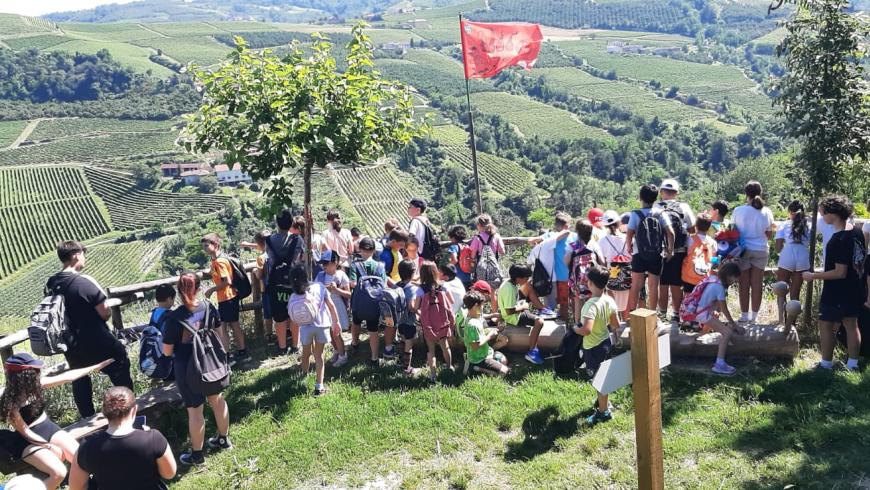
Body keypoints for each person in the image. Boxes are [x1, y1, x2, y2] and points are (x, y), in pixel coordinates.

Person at [45, 241, 134, 418]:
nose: (84, 258)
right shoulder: (82, 283)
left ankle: (87, 418)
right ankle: (126, 412)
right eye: (83, 254)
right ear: (76, 255)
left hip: (71, 344)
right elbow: (105, 313)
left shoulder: (51, 283)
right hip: (97, 341)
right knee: (120, 369)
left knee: (79, 378)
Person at [0, 354, 114, 490]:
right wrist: (49, 446)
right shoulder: (9, 400)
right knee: (58, 473)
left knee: (82, 459)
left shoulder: (37, 384)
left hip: (48, 428)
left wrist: (96, 367)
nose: (38, 373)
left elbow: (67, 377)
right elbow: (24, 431)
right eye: (34, 371)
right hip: (26, 439)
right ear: (24, 376)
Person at [162, 272, 231, 466]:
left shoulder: (175, 317)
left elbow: (167, 351)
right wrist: (224, 357)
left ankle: (197, 455)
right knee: (217, 400)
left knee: (194, 410)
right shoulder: (208, 307)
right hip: (211, 362)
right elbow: (219, 332)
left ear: (178, 291)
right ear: (199, 288)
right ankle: (224, 439)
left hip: (187, 367)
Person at [69, 387, 176, 490]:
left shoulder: (87, 446)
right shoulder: (153, 439)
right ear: (134, 410)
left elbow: (76, 487)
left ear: (104, 413)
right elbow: (169, 473)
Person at [804, 195, 866, 372]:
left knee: (825, 324)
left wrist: (813, 276)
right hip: (856, 287)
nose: (822, 215)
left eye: (823, 212)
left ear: (833, 214)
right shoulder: (857, 232)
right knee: (851, 324)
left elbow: (840, 272)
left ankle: (825, 364)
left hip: (837, 291)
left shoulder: (838, 240)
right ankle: (853, 365)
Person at [574, 266, 619, 426]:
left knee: (598, 379)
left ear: (590, 283)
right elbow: (615, 324)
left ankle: (603, 412)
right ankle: (604, 401)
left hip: (593, 347)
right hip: (606, 343)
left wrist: (575, 329)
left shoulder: (590, 305)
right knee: (603, 375)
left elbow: (586, 330)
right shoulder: (609, 300)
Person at [288, 265, 342, 396]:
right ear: (306, 276)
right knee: (319, 355)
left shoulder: (294, 295)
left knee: (305, 353)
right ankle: (319, 386)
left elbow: (292, 315)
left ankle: (304, 374)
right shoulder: (320, 287)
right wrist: (336, 322)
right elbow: (331, 306)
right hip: (322, 325)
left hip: (305, 327)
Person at [201, 233, 249, 364]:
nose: (204, 249)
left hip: (227, 297)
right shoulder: (216, 260)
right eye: (203, 246)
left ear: (216, 245)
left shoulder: (220, 261)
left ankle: (228, 356)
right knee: (232, 325)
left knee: (224, 327)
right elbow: (217, 273)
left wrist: (211, 290)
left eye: (206, 246)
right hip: (229, 297)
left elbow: (227, 281)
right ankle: (241, 352)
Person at [731, 181, 775, 323]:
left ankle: (744, 315)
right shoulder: (766, 211)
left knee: (744, 283)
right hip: (761, 249)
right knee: (757, 283)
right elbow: (769, 234)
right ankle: (754, 317)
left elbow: (733, 231)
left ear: (746, 194)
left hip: (743, 250)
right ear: (760, 192)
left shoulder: (738, 210)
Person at [654, 179, 696, 321]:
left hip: (661, 251)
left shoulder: (655, 206)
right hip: (679, 250)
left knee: (663, 283)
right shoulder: (683, 207)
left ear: (661, 192)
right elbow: (692, 228)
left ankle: (662, 313)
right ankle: (676, 314)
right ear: (677, 193)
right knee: (676, 283)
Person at [692, 262, 745, 375]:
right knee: (727, 333)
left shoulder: (714, 280)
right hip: (702, 314)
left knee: (716, 317)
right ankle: (719, 364)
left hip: (701, 311)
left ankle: (700, 336)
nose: (735, 281)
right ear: (730, 275)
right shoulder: (719, 287)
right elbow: (724, 310)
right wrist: (735, 326)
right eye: (735, 278)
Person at [265, 211, 306, 355]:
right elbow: (300, 258)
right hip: (293, 282)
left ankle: (282, 347)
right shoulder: (297, 239)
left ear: (277, 223)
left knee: (279, 317)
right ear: (291, 224)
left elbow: (269, 260)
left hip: (276, 283)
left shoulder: (269, 240)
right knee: (294, 314)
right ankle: (296, 345)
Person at [625, 184, 670, 314]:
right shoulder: (660, 213)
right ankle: (652, 314)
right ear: (655, 198)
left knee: (636, 285)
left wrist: (629, 247)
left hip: (639, 253)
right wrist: (670, 249)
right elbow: (670, 232)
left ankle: (632, 314)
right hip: (656, 253)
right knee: (653, 286)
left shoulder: (635, 214)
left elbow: (629, 233)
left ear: (640, 198)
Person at [348, 237, 392, 366]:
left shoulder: (355, 265)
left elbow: (352, 284)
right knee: (373, 331)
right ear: (373, 250)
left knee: (355, 323)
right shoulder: (380, 266)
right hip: (374, 304)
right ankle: (374, 358)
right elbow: (384, 284)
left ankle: (355, 344)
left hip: (359, 303)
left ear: (360, 249)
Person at [498, 264, 547, 365]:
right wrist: (523, 307)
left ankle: (542, 309)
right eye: (526, 278)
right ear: (518, 278)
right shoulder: (509, 289)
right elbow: (509, 311)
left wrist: (521, 304)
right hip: (514, 318)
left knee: (528, 289)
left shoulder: (509, 283)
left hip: (515, 311)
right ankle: (532, 351)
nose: (528, 280)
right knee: (540, 322)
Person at [418, 261, 455, 381]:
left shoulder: (421, 289)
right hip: (442, 322)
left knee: (431, 350)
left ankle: (433, 374)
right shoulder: (443, 286)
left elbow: (416, 306)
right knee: (445, 346)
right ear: (436, 272)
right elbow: (451, 302)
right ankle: (449, 366)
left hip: (428, 324)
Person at [566, 219, 606, 324]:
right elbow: (602, 262)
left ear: (577, 232)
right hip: (593, 279)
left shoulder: (574, 245)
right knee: (593, 302)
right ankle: (594, 324)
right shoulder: (594, 244)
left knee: (578, 301)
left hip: (577, 281)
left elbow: (566, 261)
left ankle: (578, 325)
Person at [314, 251, 349, 367]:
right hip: (325, 307)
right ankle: (337, 351)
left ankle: (343, 355)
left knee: (336, 332)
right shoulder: (320, 275)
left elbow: (348, 294)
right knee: (329, 332)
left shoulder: (340, 275)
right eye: (322, 264)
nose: (324, 266)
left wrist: (336, 290)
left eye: (326, 263)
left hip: (337, 306)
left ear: (336, 262)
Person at [462, 290, 509, 377]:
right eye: (482, 305)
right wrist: (490, 336)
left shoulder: (474, 315)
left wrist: (493, 315)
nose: (483, 307)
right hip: (479, 359)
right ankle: (476, 368)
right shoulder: (473, 325)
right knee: (505, 371)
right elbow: (475, 346)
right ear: (476, 305)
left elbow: (482, 316)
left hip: (486, 352)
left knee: (504, 361)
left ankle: (480, 367)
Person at [775, 200, 811, 301]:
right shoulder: (808, 225)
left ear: (790, 212)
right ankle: (792, 316)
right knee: (795, 294)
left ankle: (782, 316)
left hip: (788, 253)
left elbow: (778, 247)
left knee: (780, 291)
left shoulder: (784, 224)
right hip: (803, 255)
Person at [242, 230, 274, 343]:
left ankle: (269, 335)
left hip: (267, 288)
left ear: (259, 243)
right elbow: (262, 246)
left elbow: (260, 274)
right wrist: (248, 244)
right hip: (280, 286)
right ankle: (287, 333)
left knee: (268, 314)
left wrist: (255, 271)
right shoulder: (277, 251)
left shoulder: (261, 258)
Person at [681, 214, 717, 306]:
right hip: (704, 278)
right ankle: (699, 317)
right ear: (709, 227)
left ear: (696, 226)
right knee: (701, 299)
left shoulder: (690, 239)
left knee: (688, 297)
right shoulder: (713, 242)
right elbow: (715, 261)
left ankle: (688, 316)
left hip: (689, 276)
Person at [598, 210, 630, 315]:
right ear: (619, 222)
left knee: (611, 302)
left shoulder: (602, 241)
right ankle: (627, 324)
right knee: (627, 302)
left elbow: (601, 260)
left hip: (610, 274)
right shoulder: (627, 238)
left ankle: (613, 325)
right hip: (627, 274)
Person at [395, 260, 423, 376]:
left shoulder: (397, 285)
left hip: (399, 319)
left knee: (402, 339)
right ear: (412, 273)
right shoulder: (412, 288)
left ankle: (400, 361)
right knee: (408, 343)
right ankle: (407, 368)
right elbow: (412, 307)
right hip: (409, 320)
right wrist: (420, 313)